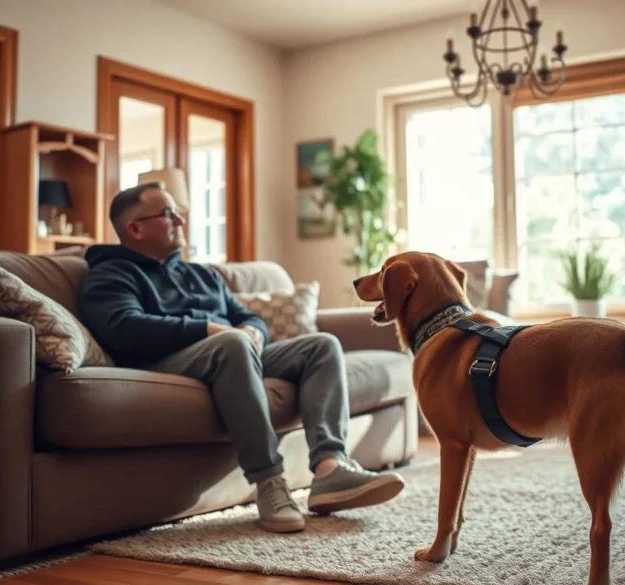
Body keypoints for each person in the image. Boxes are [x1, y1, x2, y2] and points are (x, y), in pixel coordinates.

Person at [78, 182, 405, 533]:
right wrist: (208, 329)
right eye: (168, 214)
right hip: (166, 363)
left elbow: (246, 316)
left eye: (177, 212)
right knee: (231, 342)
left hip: (232, 354)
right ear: (135, 228)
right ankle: (269, 482)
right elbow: (123, 328)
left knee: (321, 345)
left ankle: (329, 468)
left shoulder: (201, 275)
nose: (180, 220)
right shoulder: (110, 273)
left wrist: (254, 330)